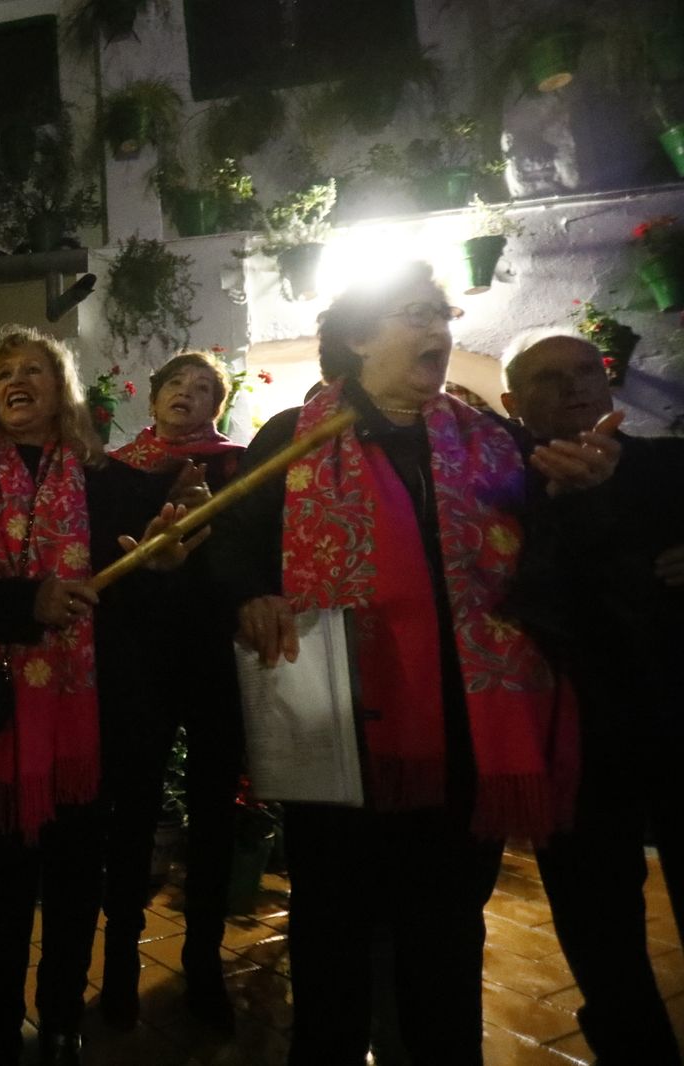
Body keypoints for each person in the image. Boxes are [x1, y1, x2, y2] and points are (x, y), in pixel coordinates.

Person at [208, 262, 618, 1066]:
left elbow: (549, 561)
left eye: (441, 315)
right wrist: (251, 595)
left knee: (444, 944)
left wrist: (580, 496)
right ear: (359, 338)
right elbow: (233, 545)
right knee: (333, 943)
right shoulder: (295, 436)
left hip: (464, 737)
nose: (437, 332)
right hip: (342, 734)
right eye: (413, 315)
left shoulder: (489, 441)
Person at [0, 326, 206, 1066]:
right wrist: (29, 606)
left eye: (35, 371)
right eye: (5, 372)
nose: (18, 381)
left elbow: (139, 580)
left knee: (78, 875)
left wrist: (166, 558)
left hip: (88, 716)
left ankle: (59, 1018)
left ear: (61, 391)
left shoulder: (105, 479)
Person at [501, 329, 684, 1066]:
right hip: (575, 739)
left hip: (677, 723)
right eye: (548, 379)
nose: (574, 387)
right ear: (514, 404)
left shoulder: (670, 463)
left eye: (585, 371)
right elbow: (521, 598)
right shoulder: (504, 490)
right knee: (599, 925)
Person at [103, 351, 248, 1032]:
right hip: (140, 661)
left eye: (205, 390)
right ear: (154, 398)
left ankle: (204, 963)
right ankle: (121, 965)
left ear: (219, 404)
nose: (189, 396)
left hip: (215, 660)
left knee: (216, 810)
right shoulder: (114, 470)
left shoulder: (240, 466)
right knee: (131, 809)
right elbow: (101, 561)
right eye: (177, 387)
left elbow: (248, 556)